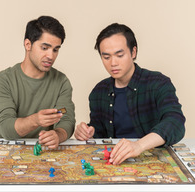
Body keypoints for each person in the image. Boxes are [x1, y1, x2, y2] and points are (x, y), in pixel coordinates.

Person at [74, 23, 185, 165]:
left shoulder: (158, 83)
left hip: (152, 160)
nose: (113, 63)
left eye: (119, 55)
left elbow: (175, 122)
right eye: (106, 57)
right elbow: (100, 133)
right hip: (117, 162)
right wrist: (88, 132)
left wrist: (139, 145)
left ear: (133, 52)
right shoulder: (98, 91)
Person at [0, 16, 75, 149]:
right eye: (45, 48)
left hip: (45, 152)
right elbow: (6, 128)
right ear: (28, 44)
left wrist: (58, 135)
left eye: (55, 50)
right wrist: (35, 120)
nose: (51, 56)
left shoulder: (61, 81)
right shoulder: (2, 80)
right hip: (7, 151)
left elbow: (66, 119)